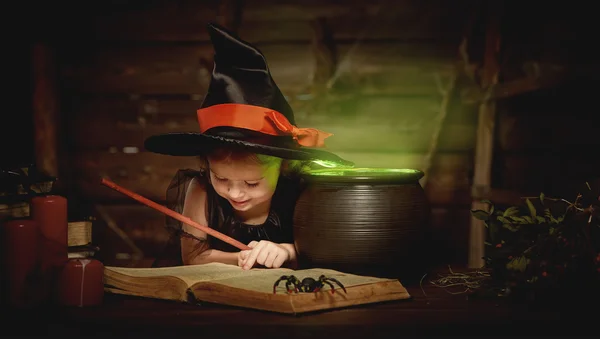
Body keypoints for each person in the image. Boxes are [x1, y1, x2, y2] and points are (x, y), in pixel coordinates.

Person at [144, 23, 353, 270]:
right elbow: (193, 257)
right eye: (220, 179)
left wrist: (286, 251)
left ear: (283, 166)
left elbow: (329, 249)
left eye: (252, 183)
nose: (235, 194)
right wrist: (241, 258)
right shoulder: (200, 191)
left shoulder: (302, 192)